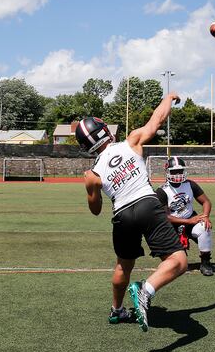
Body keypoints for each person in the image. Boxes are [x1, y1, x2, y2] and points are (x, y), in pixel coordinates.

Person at [78, 93, 188, 332]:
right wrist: (168, 97)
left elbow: (96, 210)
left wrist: (91, 188)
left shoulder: (93, 173)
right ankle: (145, 291)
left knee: (123, 266)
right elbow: (157, 119)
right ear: (105, 131)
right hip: (147, 204)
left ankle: (117, 311)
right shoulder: (131, 141)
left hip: (122, 215)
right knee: (178, 261)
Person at [156, 157, 215, 276]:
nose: (178, 174)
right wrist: (188, 221)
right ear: (167, 172)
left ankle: (205, 261)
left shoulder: (190, 185)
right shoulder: (162, 191)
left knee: (205, 227)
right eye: (174, 171)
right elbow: (165, 217)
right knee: (177, 264)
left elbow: (206, 202)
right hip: (171, 226)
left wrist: (205, 216)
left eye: (180, 171)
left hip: (190, 220)